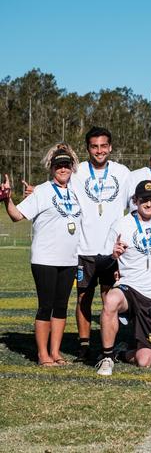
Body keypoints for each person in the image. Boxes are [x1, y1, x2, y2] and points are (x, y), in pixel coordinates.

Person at [1, 145, 81, 366]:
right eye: (58, 165)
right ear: (51, 168)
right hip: (45, 258)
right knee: (46, 306)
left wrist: (65, 148)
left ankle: (55, 352)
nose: (63, 169)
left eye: (66, 165)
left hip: (70, 259)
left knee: (61, 306)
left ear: (72, 167)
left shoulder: (76, 191)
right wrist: (7, 199)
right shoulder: (42, 191)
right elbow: (17, 215)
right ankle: (42, 354)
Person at [96, 180, 151, 376]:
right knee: (111, 300)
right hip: (129, 288)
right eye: (143, 200)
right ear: (135, 200)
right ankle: (107, 356)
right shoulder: (121, 224)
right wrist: (113, 257)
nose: (148, 204)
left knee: (144, 361)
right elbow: (101, 264)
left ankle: (123, 352)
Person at [69, 126, 132, 361]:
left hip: (112, 250)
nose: (99, 150)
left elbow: (134, 203)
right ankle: (84, 346)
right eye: (94, 146)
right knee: (83, 298)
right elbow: (62, 191)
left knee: (109, 299)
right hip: (84, 247)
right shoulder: (77, 172)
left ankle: (109, 346)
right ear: (87, 149)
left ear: (110, 147)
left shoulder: (123, 172)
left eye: (103, 146)